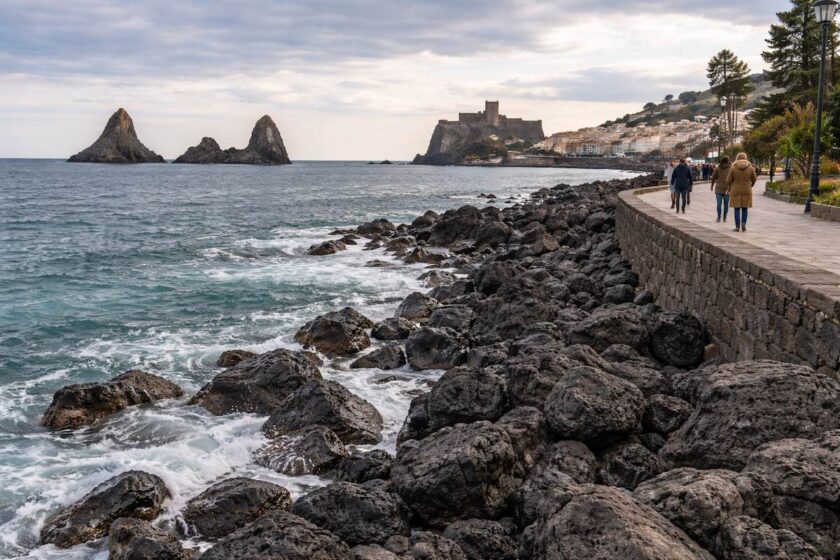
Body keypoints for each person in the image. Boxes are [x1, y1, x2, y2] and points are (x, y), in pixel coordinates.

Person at [725, 152, 757, 232]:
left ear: (737, 158)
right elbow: (754, 178)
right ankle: (743, 223)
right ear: (746, 158)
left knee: (736, 209)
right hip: (747, 189)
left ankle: (737, 226)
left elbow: (728, 180)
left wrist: (730, 186)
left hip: (735, 190)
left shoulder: (733, 168)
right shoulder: (750, 168)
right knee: (745, 209)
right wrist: (751, 185)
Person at [710, 156, 732, 222]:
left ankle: (719, 217)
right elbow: (733, 179)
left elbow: (713, 178)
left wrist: (712, 185)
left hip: (720, 189)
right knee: (725, 204)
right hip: (726, 189)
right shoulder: (730, 168)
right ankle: (723, 217)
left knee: (719, 204)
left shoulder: (718, 168)